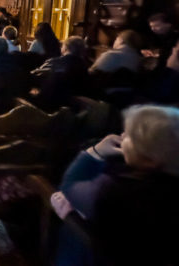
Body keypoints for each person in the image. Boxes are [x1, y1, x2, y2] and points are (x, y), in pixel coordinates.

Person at [53, 105, 179, 265]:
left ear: (150, 160)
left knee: (71, 232)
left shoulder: (116, 191)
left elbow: (70, 184)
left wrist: (96, 151)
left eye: (130, 137)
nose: (122, 135)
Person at [32, 36, 89, 110]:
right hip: (72, 108)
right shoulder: (84, 67)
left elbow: (35, 76)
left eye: (62, 46)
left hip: (47, 105)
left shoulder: (53, 62)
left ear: (65, 48)